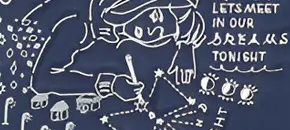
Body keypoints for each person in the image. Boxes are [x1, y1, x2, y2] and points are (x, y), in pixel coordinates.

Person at [27, 0, 205, 105]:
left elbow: (186, 19)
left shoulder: (177, 22)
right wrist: (109, 84)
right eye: (156, 15)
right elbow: (43, 80)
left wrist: (186, 46)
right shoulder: (76, 25)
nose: (152, 26)